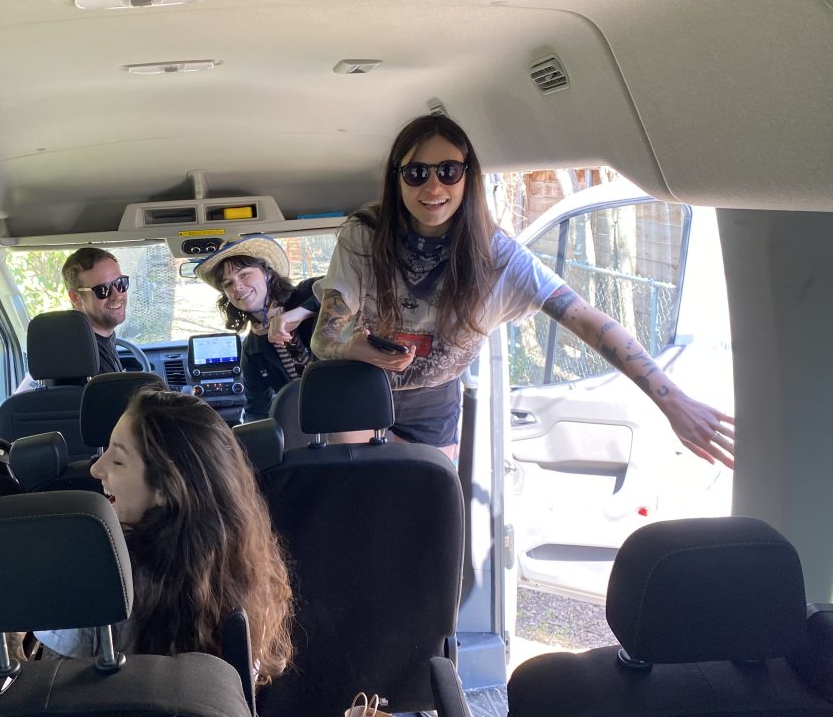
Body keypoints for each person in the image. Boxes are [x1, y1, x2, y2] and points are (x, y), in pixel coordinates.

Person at [311, 114, 735, 468]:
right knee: (360, 492)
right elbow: (324, 338)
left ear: (467, 177)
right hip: (361, 382)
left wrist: (672, 400)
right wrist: (351, 350)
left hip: (436, 400)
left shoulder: (500, 260)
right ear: (398, 178)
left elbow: (587, 320)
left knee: (425, 508)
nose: (433, 188)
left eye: (448, 172)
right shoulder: (364, 236)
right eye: (417, 173)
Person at [30, 387, 293, 687]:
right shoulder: (248, 571)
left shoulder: (90, 571)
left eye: (117, 461)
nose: (95, 469)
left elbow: (52, 692)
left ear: (167, 488)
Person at [194, 234, 321, 421]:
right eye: (228, 284)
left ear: (267, 273)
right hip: (309, 423)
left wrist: (299, 313)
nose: (237, 287)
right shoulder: (252, 349)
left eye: (244, 274)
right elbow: (257, 409)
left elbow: (345, 288)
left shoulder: (308, 292)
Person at [63, 246, 129, 375]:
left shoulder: (99, 339)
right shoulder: (82, 356)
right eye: (103, 289)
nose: (117, 295)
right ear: (76, 298)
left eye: (120, 283)